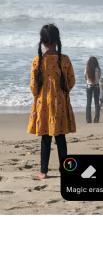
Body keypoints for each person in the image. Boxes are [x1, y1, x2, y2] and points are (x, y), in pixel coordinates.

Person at [27, 24, 76, 180]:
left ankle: (43, 171)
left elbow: (34, 87)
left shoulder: (37, 61)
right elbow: (71, 81)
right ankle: (65, 170)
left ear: (42, 41)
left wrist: (41, 94)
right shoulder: (65, 59)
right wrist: (61, 91)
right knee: (61, 138)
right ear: (57, 40)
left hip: (43, 106)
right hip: (60, 104)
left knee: (45, 138)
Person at [84, 56, 101, 123]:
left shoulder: (87, 68)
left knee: (88, 103)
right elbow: (99, 77)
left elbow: (85, 77)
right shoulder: (98, 69)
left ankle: (88, 119)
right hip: (96, 86)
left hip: (89, 86)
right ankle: (96, 119)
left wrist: (89, 81)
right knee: (96, 103)